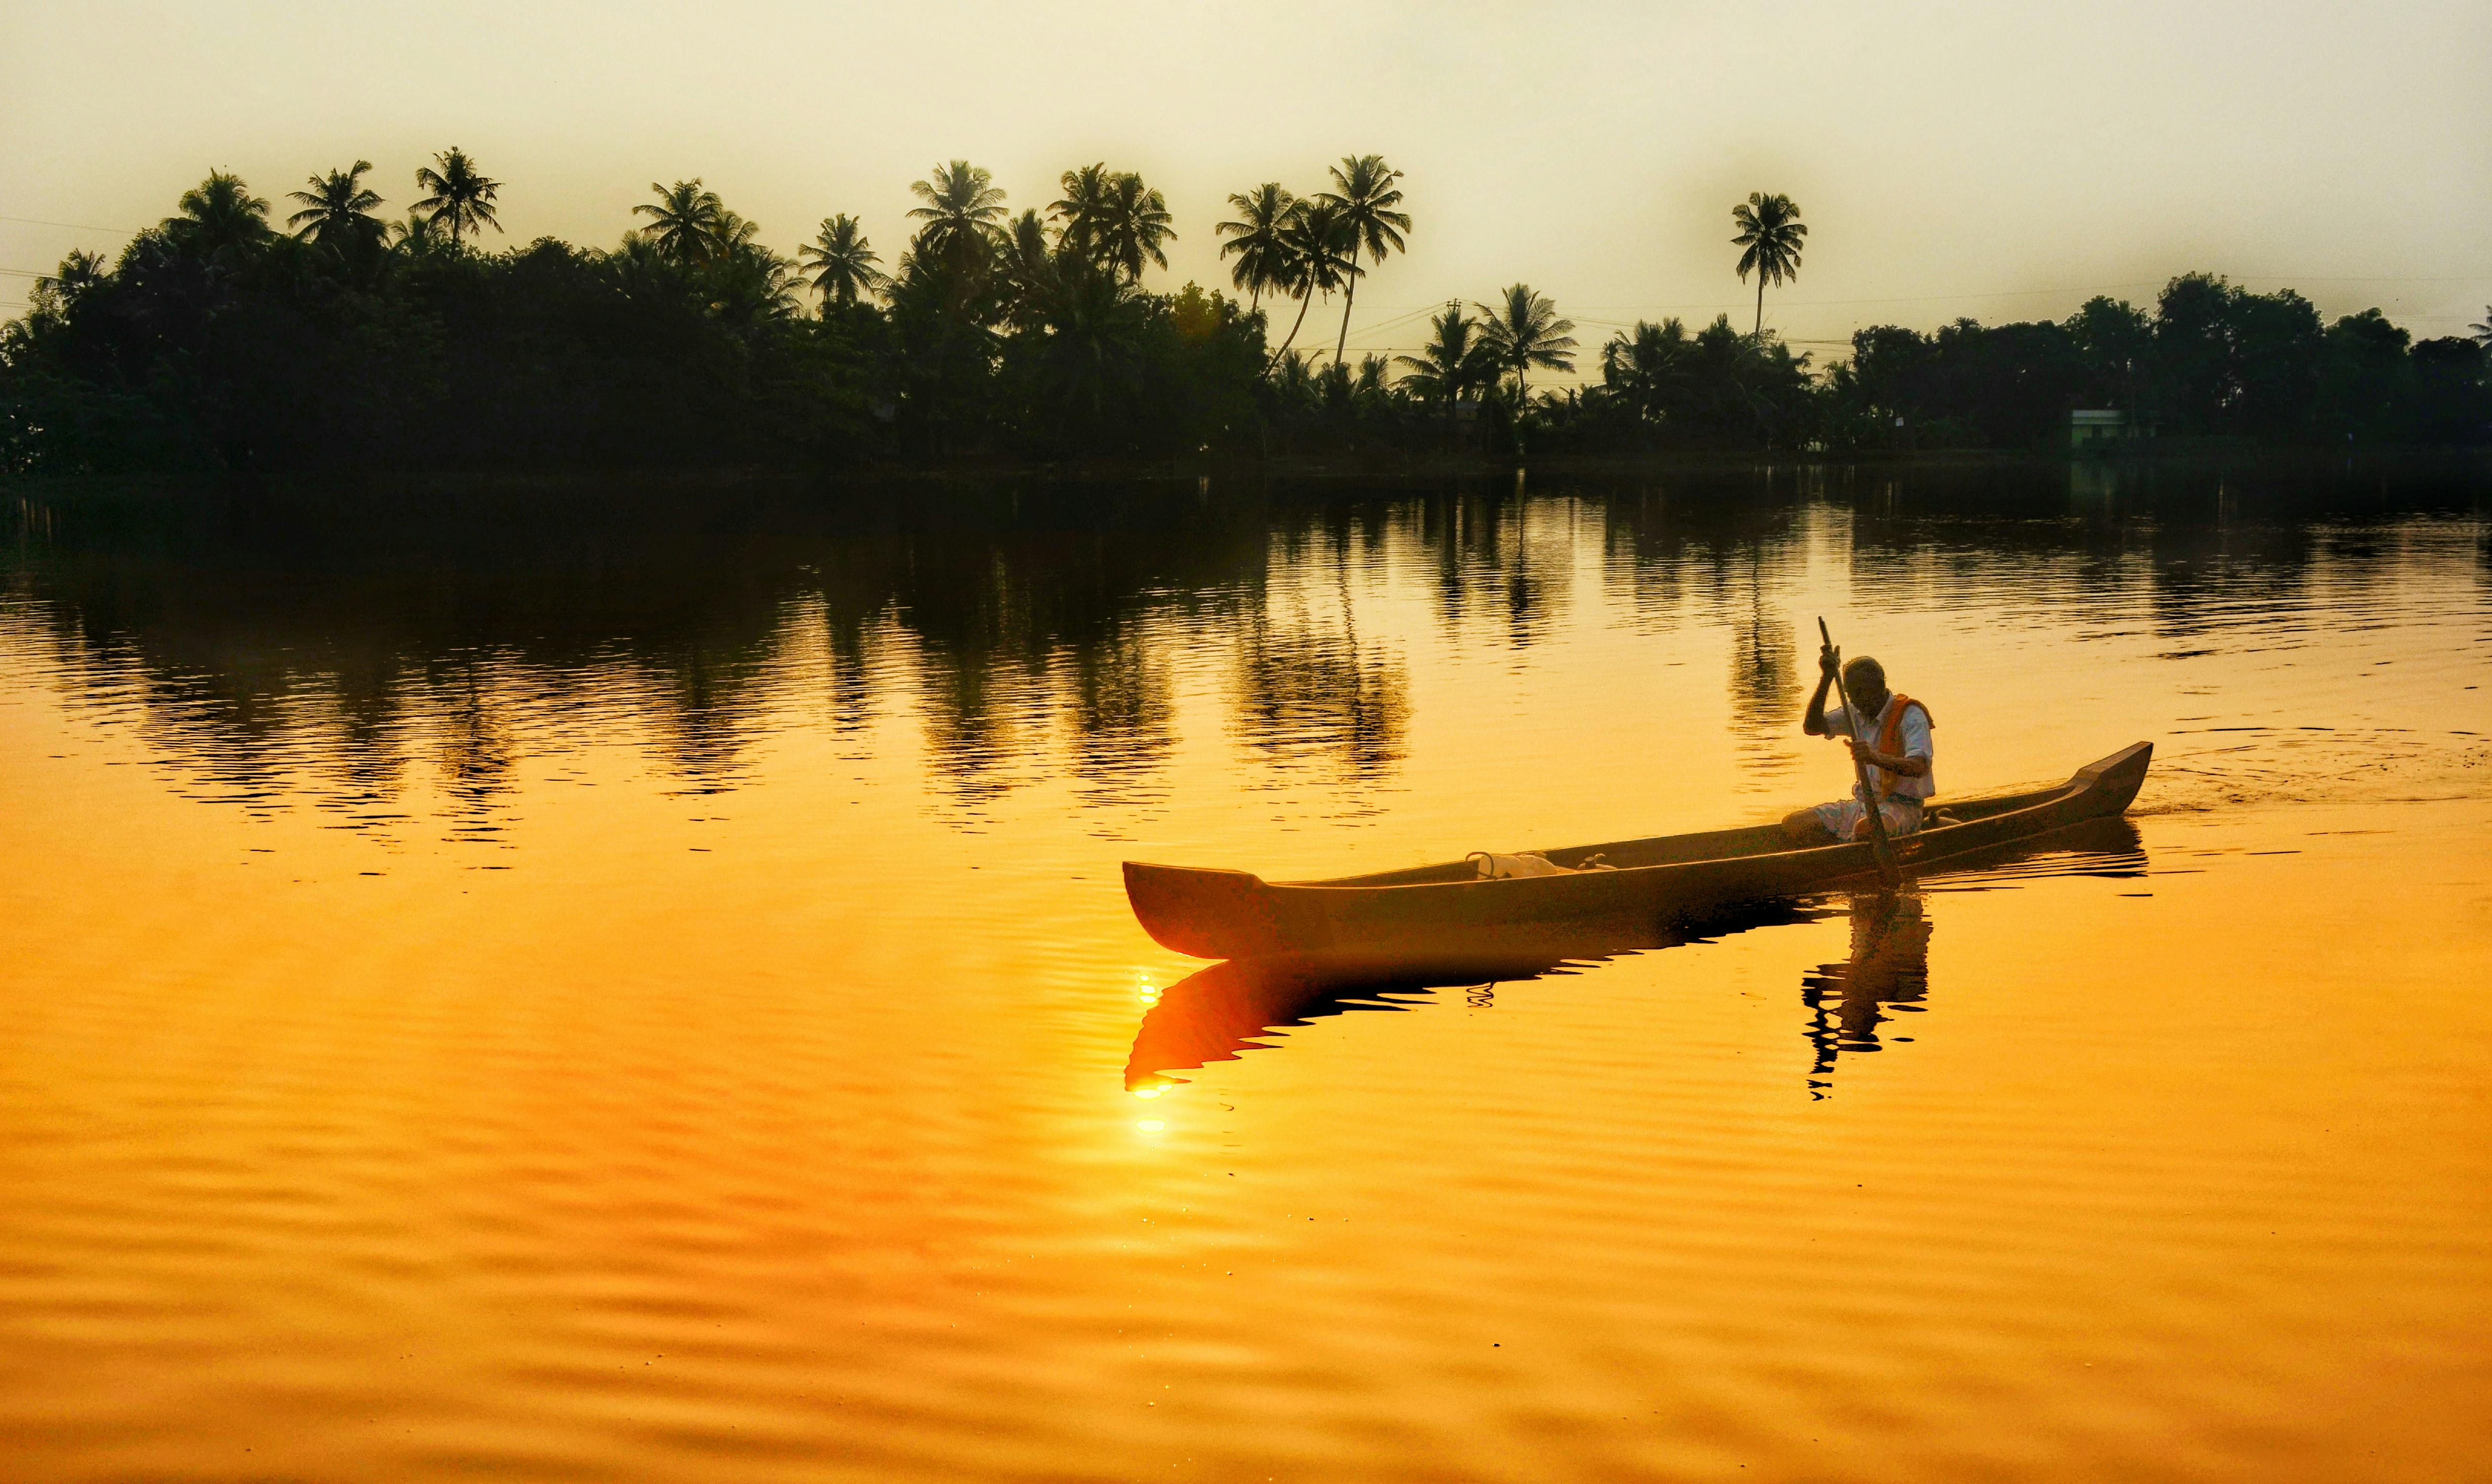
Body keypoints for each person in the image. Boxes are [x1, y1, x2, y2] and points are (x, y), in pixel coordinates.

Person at [1780, 645, 1934, 844]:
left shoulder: (1910, 715)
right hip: (1862, 806)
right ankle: (1838, 853)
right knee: (1794, 824)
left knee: (1866, 829)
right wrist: (1827, 677)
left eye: (1862, 693)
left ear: (1880, 685)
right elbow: (1812, 727)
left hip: (1903, 809)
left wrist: (1875, 758)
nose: (1857, 700)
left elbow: (1920, 766)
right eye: (1851, 694)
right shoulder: (1855, 711)